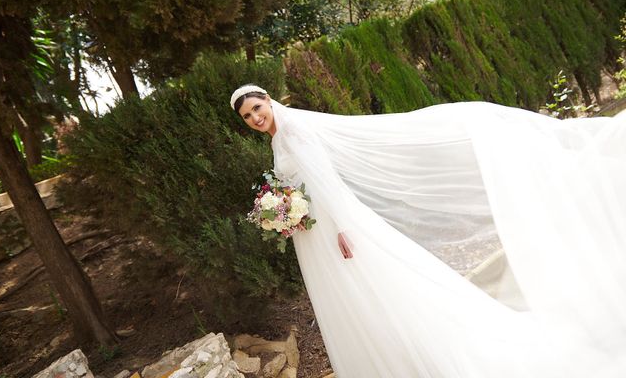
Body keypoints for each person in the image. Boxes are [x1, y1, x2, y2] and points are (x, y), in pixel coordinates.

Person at [231, 84, 626, 378]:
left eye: (257, 108)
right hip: (316, 236)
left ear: (269, 100)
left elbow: (326, 182)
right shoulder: (280, 140)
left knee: (383, 292)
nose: (255, 118)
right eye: (247, 117)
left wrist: (339, 230)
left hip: (337, 232)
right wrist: (283, 212)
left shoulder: (296, 130)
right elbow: (305, 190)